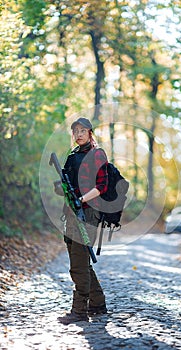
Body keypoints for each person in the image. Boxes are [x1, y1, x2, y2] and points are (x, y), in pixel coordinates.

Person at [56, 117, 108, 325]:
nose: (78, 134)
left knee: (78, 264)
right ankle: (98, 303)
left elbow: (102, 185)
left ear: (90, 133)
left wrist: (81, 199)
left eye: (82, 130)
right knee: (80, 260)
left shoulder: (97, 154)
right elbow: (66, 184)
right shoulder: (72, 156)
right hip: (72, 213)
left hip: (89, 213)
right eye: (75, 131)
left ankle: (79, 311)